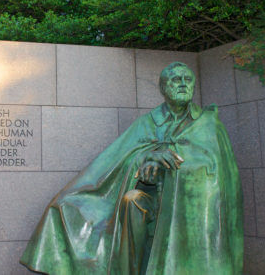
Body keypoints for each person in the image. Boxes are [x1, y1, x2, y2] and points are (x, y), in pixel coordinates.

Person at [20, 62, 243, 275]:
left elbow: (217, 171)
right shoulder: (147, 123)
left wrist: (174, 162)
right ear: (164, 88)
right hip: (153, 200)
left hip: (191, 205)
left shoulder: (208, 123)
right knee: (123, 200)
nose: (183, 84)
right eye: (176, 80)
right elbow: (117, 159)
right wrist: (146, 158)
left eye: (187, 79)